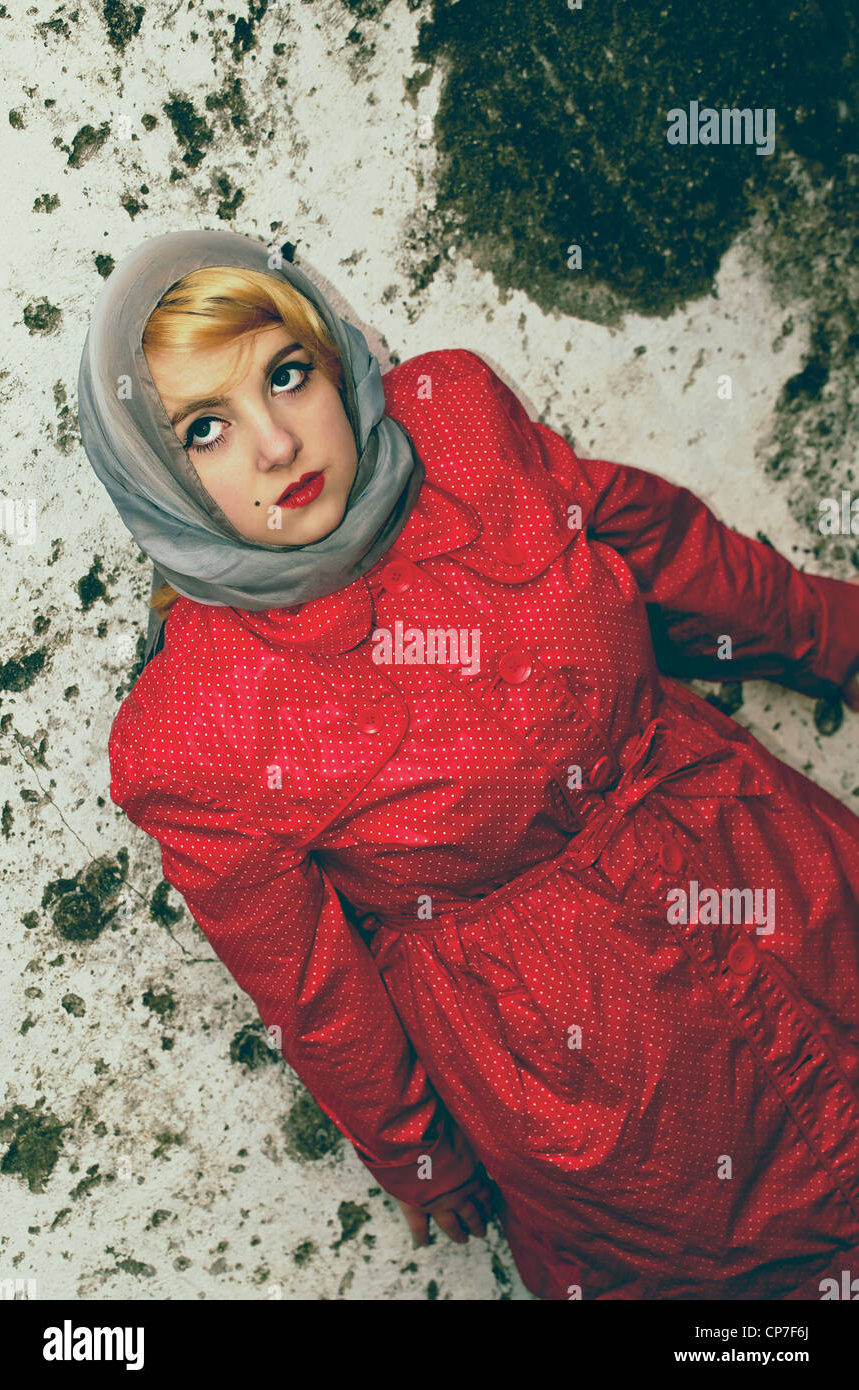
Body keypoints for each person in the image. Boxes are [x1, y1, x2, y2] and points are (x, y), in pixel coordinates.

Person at [78, 227, 859, 1301]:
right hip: (610, 1085)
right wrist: (415, 1150)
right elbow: (308, 983)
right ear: (154, 477)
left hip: (778, 878)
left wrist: (828, 636)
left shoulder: (458, 429)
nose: (275, 443)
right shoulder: (195, 727)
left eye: (287, 374)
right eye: (204, 428)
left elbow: (653, 542)